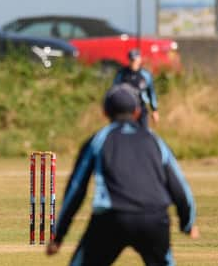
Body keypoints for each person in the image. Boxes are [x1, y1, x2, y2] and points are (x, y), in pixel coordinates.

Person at [46, 84, 199, 266]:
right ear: (136, 112)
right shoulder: (155, 141)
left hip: (112, 218)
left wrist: (59, 236)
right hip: (154, 218)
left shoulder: (97, 140)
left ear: (104, 112)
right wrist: (187, 223)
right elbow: (179, 187)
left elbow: (76, 189)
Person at [113, 48, 159, 127]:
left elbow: (151, 93)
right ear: (129, 60)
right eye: (132, 60)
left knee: (143, 133)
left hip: (141, 109)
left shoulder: (145, 75)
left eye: (136, 59)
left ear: (139, 60)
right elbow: (115, 91)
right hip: (126, 110)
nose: (134, 62)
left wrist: (154, 110)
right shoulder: (122, 74)